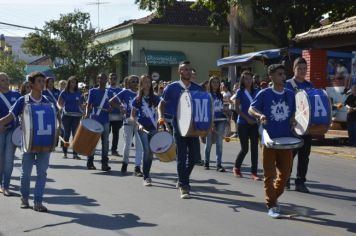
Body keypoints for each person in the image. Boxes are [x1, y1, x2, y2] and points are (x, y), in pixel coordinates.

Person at [0, 71, 58, 212]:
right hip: (28, 142)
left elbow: (54, 120)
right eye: (39, 81)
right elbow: (10, 116)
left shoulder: (48, 101)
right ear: (31, 84)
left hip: (45, 143)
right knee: (26, 173)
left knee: (42, 173)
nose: (42, 84)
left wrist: (57, 132)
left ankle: (38, 201)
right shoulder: (23, 100)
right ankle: (24, 198)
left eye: (43, 81)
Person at [249, 64, 296, 219]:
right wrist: (259, 115)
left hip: (286, 140)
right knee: (269, 175)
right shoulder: (264, 94)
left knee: (285, 174)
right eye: (280, 74)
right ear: (272, 77)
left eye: (284, 74)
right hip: (269, 140)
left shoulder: (290, 94)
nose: (283, 77)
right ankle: (272, 205)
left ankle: (273, 198)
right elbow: (251, 109)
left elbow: (295, 114)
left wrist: (294, 120)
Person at [158, 61, 203, 199]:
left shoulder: (197, 88)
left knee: (195, 156)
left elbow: (203, 108)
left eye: (189, 69)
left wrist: (206, 126)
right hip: (178, 124)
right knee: (182, 156)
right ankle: (184, 186)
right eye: (184, 69)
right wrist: (161, 118)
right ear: (179, 72)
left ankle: (182, 177)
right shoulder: (171, 88)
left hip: (193, 126)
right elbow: (161, 105)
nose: (187, 72)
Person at [285, 57, 313, 193]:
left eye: (304, 68)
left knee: (304, 156)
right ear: (294, 69)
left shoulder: (310, 86)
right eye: (299, 68)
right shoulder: (287, 85)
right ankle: (285, 178)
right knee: (290, 154)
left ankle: (300, 182)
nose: (302, 71)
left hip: (306, 127)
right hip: (291, 127)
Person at [110, 75, 143, 176]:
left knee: (139, 144)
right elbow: (111, 101)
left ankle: (137, 167)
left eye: (137, 81)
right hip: (128, 120)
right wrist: (120, 107)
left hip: (140, 121)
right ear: (128, 83)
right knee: (127, 144)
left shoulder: (142, 93)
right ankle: (125, 163)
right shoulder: (125, 92)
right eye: (133, 81)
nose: (135, 83)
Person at [131, 75, 161, 186]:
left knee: (151, 153)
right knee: (147, 150)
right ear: (141, 84)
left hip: (153, 127)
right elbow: (132, 116)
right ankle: (146, 176)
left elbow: (161, 109)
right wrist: (138, 125)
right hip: (142, 127)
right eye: (144, 82)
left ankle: (147, 173)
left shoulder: (156, 98)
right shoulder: (137, 99)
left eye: (149, 82)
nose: (147, 84)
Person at [233, 71, 260, 180]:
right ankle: (236, 168)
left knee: (254, 148)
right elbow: (236, 109)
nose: (248, 81)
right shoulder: (240, 91)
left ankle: (254, 173)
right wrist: (247, 119)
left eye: (250, 78)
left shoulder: (257, 91)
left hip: (254, 124)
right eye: (246, 79)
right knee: (245, 149)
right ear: (242, 80)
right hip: (243, 123)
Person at [85, 73, 113, 171]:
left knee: (105, 142)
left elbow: (113, 103)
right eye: (100, 78)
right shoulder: (92, 91)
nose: (102, 80)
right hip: (95, 119)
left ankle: (104, 163)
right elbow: (88, 104)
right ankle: (90, 162)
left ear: (106, 80)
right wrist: (87, 114)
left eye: (104, 78)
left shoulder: (109, 92)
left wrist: (111, 108)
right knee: (93, 141)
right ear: (97, 80)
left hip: (105, 119)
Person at [0, 72, 21, 196]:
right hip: (0, 130)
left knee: (9, 159)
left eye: (7, 79)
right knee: (1, 159)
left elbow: (22, 111)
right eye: (2, 80)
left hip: (13, 130)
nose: (6, 81)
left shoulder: (16, 95)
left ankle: (5, 185)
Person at [204, 76, 227, 172]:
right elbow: (205, 110)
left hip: (221, 120)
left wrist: (225, 111)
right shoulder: (206, 95)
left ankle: (219, 164)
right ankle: (206, 162)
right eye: (213, 82)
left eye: (217, 82)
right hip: (210, 121)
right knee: (208, 143)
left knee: (219, 143)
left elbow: (221, 108)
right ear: (210, 83)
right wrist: (210, 122)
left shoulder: (220, 95)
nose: (216, 84)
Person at [57, 76, 83, 159]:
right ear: (69, 83)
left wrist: (83, 111)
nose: (73, 84)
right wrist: (61, 108)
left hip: (76, 116)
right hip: (66, 115)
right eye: (72, 82)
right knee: (67, 134)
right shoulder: (64, 92)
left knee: (75, 135)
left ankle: (75, 154)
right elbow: (59, 103)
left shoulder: (78, 92)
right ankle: (65, 152)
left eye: (75, 82)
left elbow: (80, 104)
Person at [108, 73, 124, 157]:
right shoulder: (106, 89)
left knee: (116, 134)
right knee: (106, 133)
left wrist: (122, 108)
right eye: (111, 78)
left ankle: (114, 150)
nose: (112, 80)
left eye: (114, 78)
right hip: (107, 115)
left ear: (116, 79)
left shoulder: (120, 90)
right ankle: (105, 149)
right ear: (109, 79)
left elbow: (123, 101)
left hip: (117, 116)